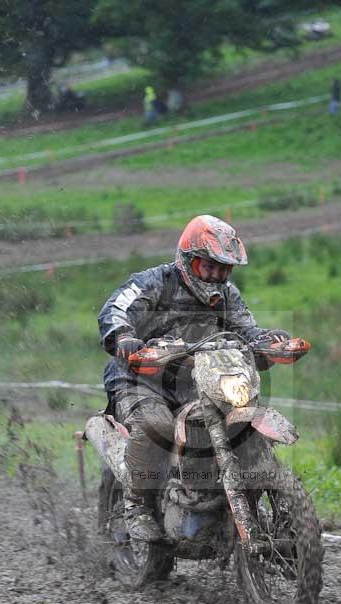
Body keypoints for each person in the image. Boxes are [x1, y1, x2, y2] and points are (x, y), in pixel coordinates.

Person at [98, 215, 291, 544]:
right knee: (156, 424)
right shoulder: (154, 282)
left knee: (239, 418)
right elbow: (116, 308)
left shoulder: (227, 295)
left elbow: (247, 330)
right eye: (209, 266)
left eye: (223, 269)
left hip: (199, 382)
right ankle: (138, 505)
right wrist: (125, 336)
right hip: (142, 380)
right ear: (188, 260)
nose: (216, 275)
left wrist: (267, 343)